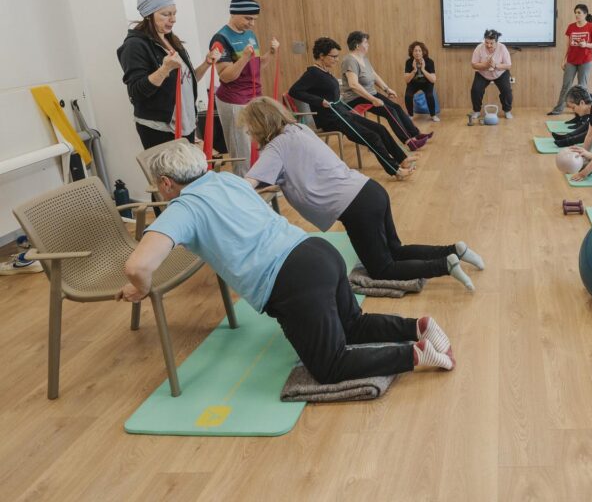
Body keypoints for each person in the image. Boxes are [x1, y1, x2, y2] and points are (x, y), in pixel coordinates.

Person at [116, 141, 458, 385]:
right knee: (352, 324)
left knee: (330, 365)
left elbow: (138, 266)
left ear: (165, 183)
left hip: (293, 281)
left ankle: (415, 354)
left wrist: (140, 289)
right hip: (317, 252)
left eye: (158, 189)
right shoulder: (228, 180)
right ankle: (418, 326)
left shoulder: (183, 208)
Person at [240, 97, 483, 291]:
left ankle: (445, 264)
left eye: (249, 130)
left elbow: (246, 184)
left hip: (356, 208)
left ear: (260, 126)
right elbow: (292, 169)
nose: (250, 136)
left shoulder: (275, 148)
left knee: (382, 268)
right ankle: (456, 249)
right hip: (370, 190)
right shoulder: (298, 129)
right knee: (395, 250)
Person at [289, 37, 416, 180]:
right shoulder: (312, 73)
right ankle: (395, 170)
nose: (337, 60)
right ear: (321, 56)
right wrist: (319, 101)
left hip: (341, 113)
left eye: (337, 56)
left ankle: (402, 159)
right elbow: (294, 91)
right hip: (330, 119)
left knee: (381, 129)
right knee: (372, 137)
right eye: (334, 56)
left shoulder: (324, 71)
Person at [118, 0, 219, 149]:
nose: (173, 19)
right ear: (148, 15)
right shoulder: (134, 46)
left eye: (174, 13)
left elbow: (185, 81)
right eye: (166, 14)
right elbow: (136, 92)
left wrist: (206, 63)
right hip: (160, 128)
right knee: (171, 174)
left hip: (186, 123)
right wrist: (165, 68)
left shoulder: (171, 39)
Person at [211, 0, 279, 175]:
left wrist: (270, 53)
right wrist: (244, 58)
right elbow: (226, 77)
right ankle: (245, 190)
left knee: (260, 146)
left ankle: (260, 184)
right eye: (248, 18)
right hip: (234, 100)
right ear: (234, 14)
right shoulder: (221, 38)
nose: (252, 23)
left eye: (254, 19)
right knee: (242, 153)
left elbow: (256, 67)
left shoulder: (250, 35)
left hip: (253, 97)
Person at [341, 31, 429, 149]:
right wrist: (373, 99)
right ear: (357, 45)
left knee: (396, 107)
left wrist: (387, 89)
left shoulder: (363, 58)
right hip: (356, 98)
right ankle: (409, 142)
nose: (368, 45)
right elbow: (353, 85)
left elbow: (374, 75)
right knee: (390, 112)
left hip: (370, 94)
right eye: (366, 42)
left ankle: (415, 134)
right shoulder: (349, 60)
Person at [548, 4, 592, 115]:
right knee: (566, 85)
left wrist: (586, 44)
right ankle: (558, 109)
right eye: (575, 12)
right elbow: (568, 46)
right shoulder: (571, 27)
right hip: (571, 60)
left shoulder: (591, 27)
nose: (576, 15)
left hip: (585, 61)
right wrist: (564, 60)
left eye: (579, 13)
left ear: (585, 14)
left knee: (582, 86)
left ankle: (584, 110)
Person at [469, 29, 513, 122]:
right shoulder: (479, 48)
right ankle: (476, 111)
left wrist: (495, 65)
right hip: (483, 73)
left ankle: (507, 111)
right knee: (475, 90)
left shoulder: (502, 48)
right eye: (486, 42)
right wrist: (485, 65)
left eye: (491, 43)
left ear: (496, 42)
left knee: (507, 91)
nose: (488, 45)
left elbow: (508, 65)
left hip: (500, 73)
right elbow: (473, 64)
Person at [404, 41, 439, 122]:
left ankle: (433, 115)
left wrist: (423, 69)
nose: (417, 53)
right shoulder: (409, 62)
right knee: (408, 95)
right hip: (413, 83)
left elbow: (433, 80)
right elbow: (407, 80)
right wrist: (414, 70)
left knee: (429, 95)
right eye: (415, 51)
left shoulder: (429, 62)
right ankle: (410, 115)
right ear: (412, 52)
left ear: (423, 52)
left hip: (427, 83)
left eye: (419, 51)